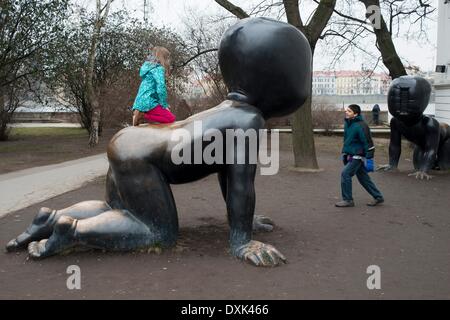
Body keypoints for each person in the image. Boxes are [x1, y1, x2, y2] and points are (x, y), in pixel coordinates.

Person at [335, 104, 384, 207]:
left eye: (349, 111)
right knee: (363, 178)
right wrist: (345, 154)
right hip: (351, 154)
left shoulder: (361, 125)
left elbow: (368, 142)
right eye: (346, 110)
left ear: (355, 114)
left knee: (345, 174)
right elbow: (348, 141)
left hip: (358, 156)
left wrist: (369, 158)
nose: (346, 112)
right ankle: (378, 197)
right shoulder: (348, 124)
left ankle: (348, 200)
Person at [132, 46, 176, 126]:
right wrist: (164, 105)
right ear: (163, 58)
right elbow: (160, 88)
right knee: (171, 118)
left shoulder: (148, 69)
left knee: (163, 116)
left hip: (140, 102)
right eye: (167, 58)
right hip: (149, 102)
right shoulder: (158, 69)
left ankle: (140, 114)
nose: (168, 61)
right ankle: (143, 116)